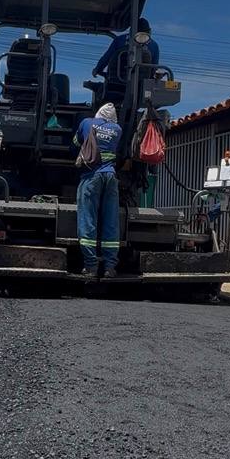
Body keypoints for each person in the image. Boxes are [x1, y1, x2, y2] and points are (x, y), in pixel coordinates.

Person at [72, 103, 122, 279]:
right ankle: (109, 267)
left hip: (91, 176)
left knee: (88, 219)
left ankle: (91, 266)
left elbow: (76, 142)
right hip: (111, 177)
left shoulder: (87, 123)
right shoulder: (117, 129)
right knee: (111, 221)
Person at [91, 17, 160, 80]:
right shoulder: (154, 46)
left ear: (131, 30)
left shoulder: (120, 40)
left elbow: (107, 56)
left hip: (116, 82)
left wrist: (98, 69)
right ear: (149, 31)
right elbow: (154, 68)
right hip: (142, 85)